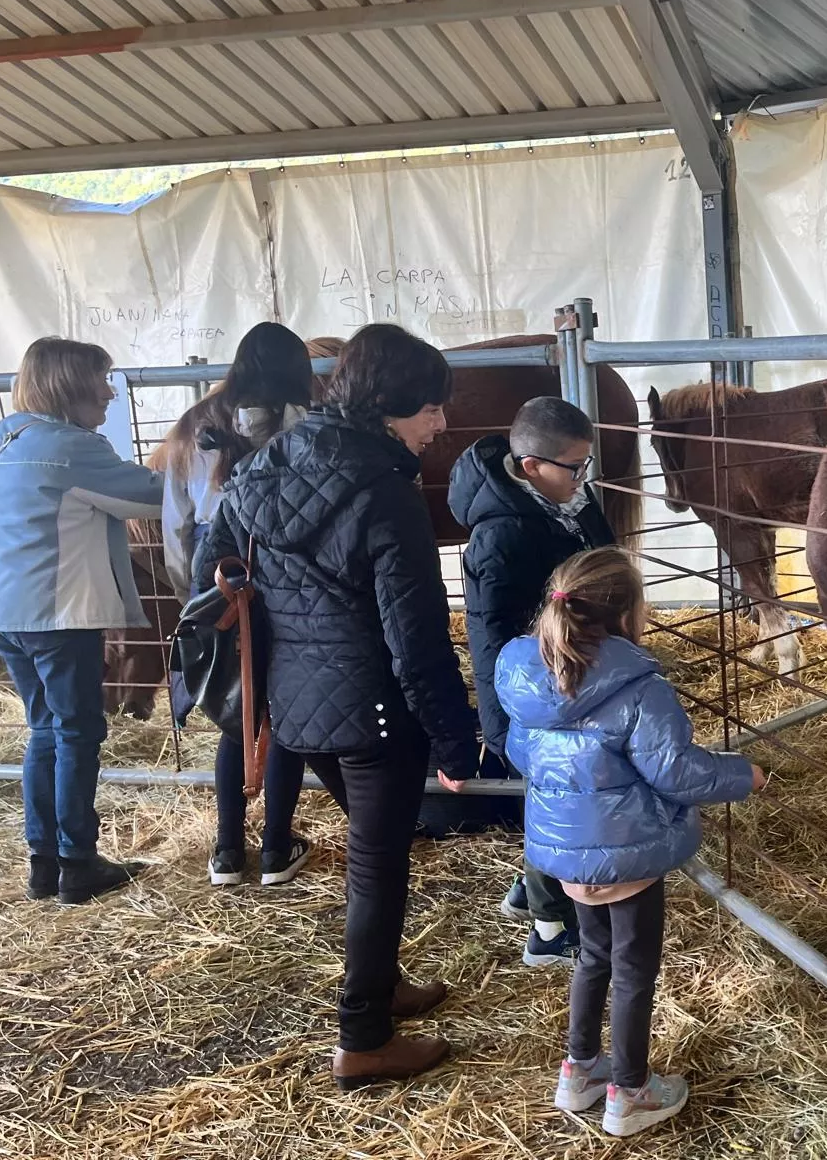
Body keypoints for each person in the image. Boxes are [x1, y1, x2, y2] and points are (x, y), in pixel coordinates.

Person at [195, 322, 480, 1088]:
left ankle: (381, 985)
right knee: (378, 867)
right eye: (430, 408)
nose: (441, 423)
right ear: (390, 405)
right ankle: (363, 1038)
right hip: (374, 712)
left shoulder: (261, 466)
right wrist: (455, 742)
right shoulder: (387, 493)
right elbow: (416, 637)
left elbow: (210, 565)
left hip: (296, 710)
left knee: (373, 853)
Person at [496, 546, 766, 1138]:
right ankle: (630, 1091)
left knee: (593, 956)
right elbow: (677, 772)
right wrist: (743, 775)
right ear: (627, 613)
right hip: (627, 851)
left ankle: (579, 1071)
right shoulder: (642, 688)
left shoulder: (525, 676)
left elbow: (520, 753)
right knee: (634, 969)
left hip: (567, 851)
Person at [0, 338, 164, 905]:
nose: (109, 393)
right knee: (77, 731)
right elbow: (151, 497)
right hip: (56, 615)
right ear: (70, 385)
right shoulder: (73, 447)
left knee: (46, 728)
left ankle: (44, 862)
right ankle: (78, 863)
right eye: (101, 380)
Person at [446, 396, 613, 966]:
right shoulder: (501, 534)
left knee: (559, 794)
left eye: (586, 464)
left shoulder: (569, 503)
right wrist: (525, 702)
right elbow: (496, 632)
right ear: (531, 466)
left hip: (573, 677)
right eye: (574, 467)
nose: (583, 478)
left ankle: (528, 889)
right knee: (555, 799)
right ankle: (549, 928)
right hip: (536, 694)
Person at [160, 322, 322, 888]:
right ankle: (276, 847)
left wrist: (195, 600)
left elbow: (176, 524)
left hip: (222, 582)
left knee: (237, 713)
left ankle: (227, 850)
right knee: (284, 713)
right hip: (288, 579)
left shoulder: (196, 425)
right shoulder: (307, 422)